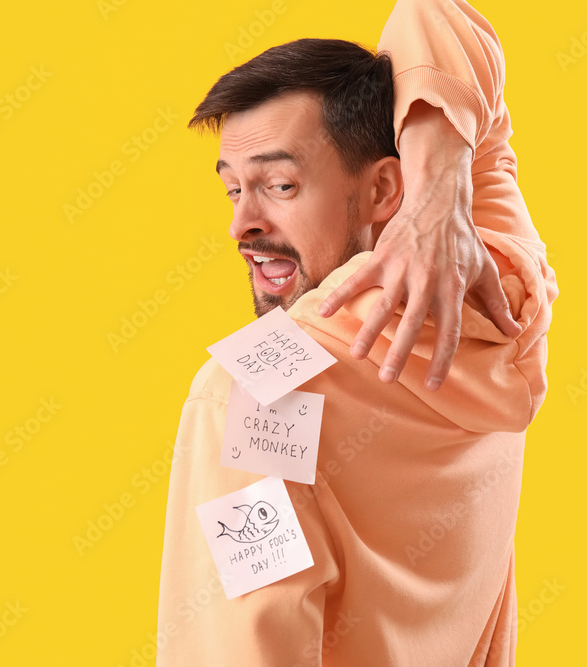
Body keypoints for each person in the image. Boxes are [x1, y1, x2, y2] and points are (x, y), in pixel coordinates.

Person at [156, 0, 558, 664]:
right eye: (234, 191)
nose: (241, 226)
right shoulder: (501, 299)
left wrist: (433, 194)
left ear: (382, 190)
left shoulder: (251, 393)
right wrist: (438, 192)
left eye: (280, 185)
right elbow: (442, 20)